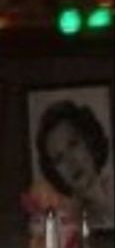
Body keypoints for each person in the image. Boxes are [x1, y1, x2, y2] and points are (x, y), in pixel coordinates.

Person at [36, 97, 113, 227]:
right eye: (59, 159)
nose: (70, 161)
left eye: (73, 144)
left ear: (89, 140)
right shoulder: (63, 222)